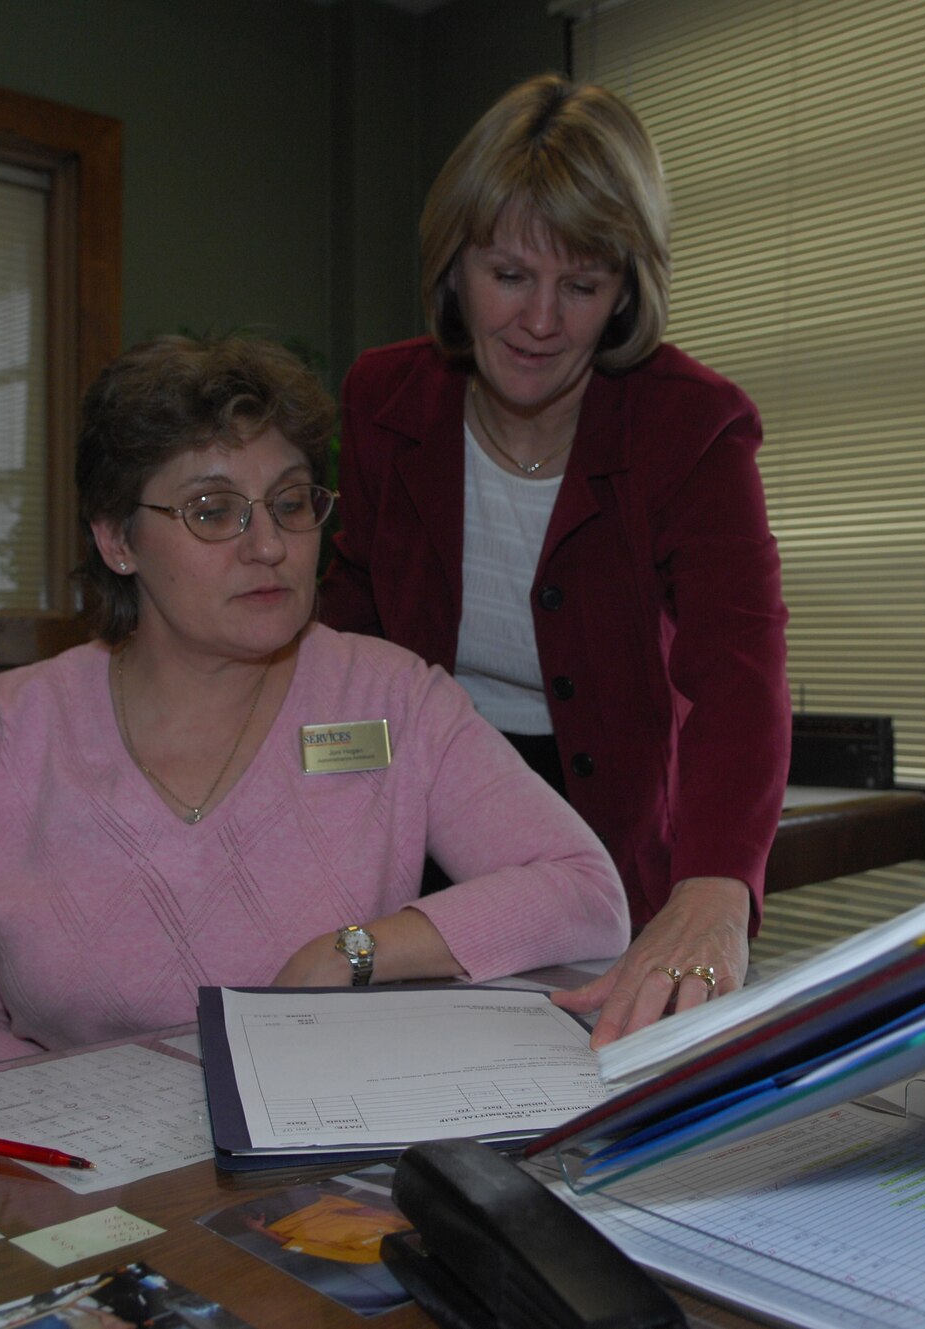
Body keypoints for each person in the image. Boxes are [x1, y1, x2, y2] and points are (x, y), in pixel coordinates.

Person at [0, 335, 628, 1079]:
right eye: (213, 511)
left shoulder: (392, 699)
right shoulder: (14, 728)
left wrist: (358, 950)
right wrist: (102, 1136)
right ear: (117, 540)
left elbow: (588, 893)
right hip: (78, 1173)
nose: (269, 544)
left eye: (291, 501)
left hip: (315, 1167)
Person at [320, 74, 789, 1047]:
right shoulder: (381, 398)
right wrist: (324, 818)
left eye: (580, 285)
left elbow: (736, 675)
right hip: (421, 815)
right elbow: (348, 646)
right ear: (453, 266)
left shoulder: (691, 426)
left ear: (625, 291)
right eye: (508, 276)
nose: (539, 321)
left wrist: (713, 889)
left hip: (606, 843)